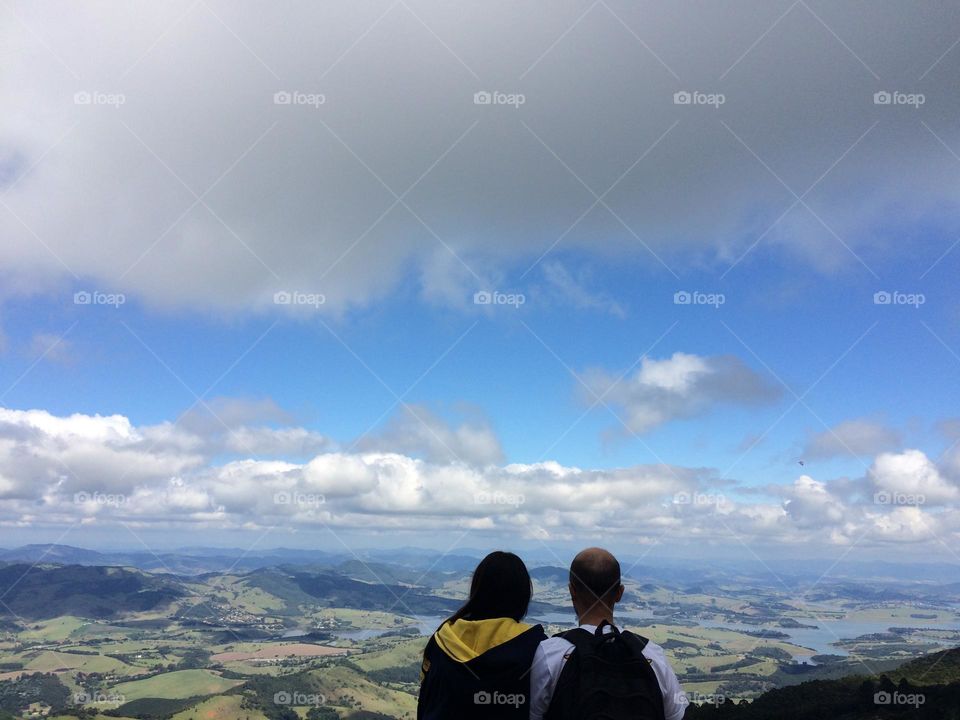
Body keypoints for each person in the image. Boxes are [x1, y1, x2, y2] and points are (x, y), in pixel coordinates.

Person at [530, 548, 688, 720]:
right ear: (620, 593)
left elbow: (534, 715)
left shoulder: (551, 653)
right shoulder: (652, 654)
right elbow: (676, 715)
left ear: (571, 591)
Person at [417, 550, 547, 719]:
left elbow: (426, 700)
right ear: (523, 595)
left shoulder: (441, 640)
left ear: (477, 589)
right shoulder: (537, 648)